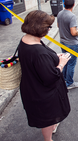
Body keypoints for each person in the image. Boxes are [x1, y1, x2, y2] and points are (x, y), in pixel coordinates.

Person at [18, 10, 71, 141]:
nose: (49, 30)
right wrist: (61, 64)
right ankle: (48, 139)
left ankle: (52, 125)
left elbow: (39, 61)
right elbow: (50, 78)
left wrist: (54, 57)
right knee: (47, 118)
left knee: (49, 117)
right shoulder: (38, 52)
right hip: (42, 93)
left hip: (31, 86)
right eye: (48, 27)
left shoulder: (26, 40)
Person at [57, 0, 78, 90]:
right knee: (71, 63)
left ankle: (64, 80)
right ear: (73, 5)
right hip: (72, 44)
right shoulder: (72, 16)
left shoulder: (59, 13)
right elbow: (73, 32)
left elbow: (58, 25)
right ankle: (70, 83)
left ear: (64, 4)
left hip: (62, 42)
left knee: (65, 62)